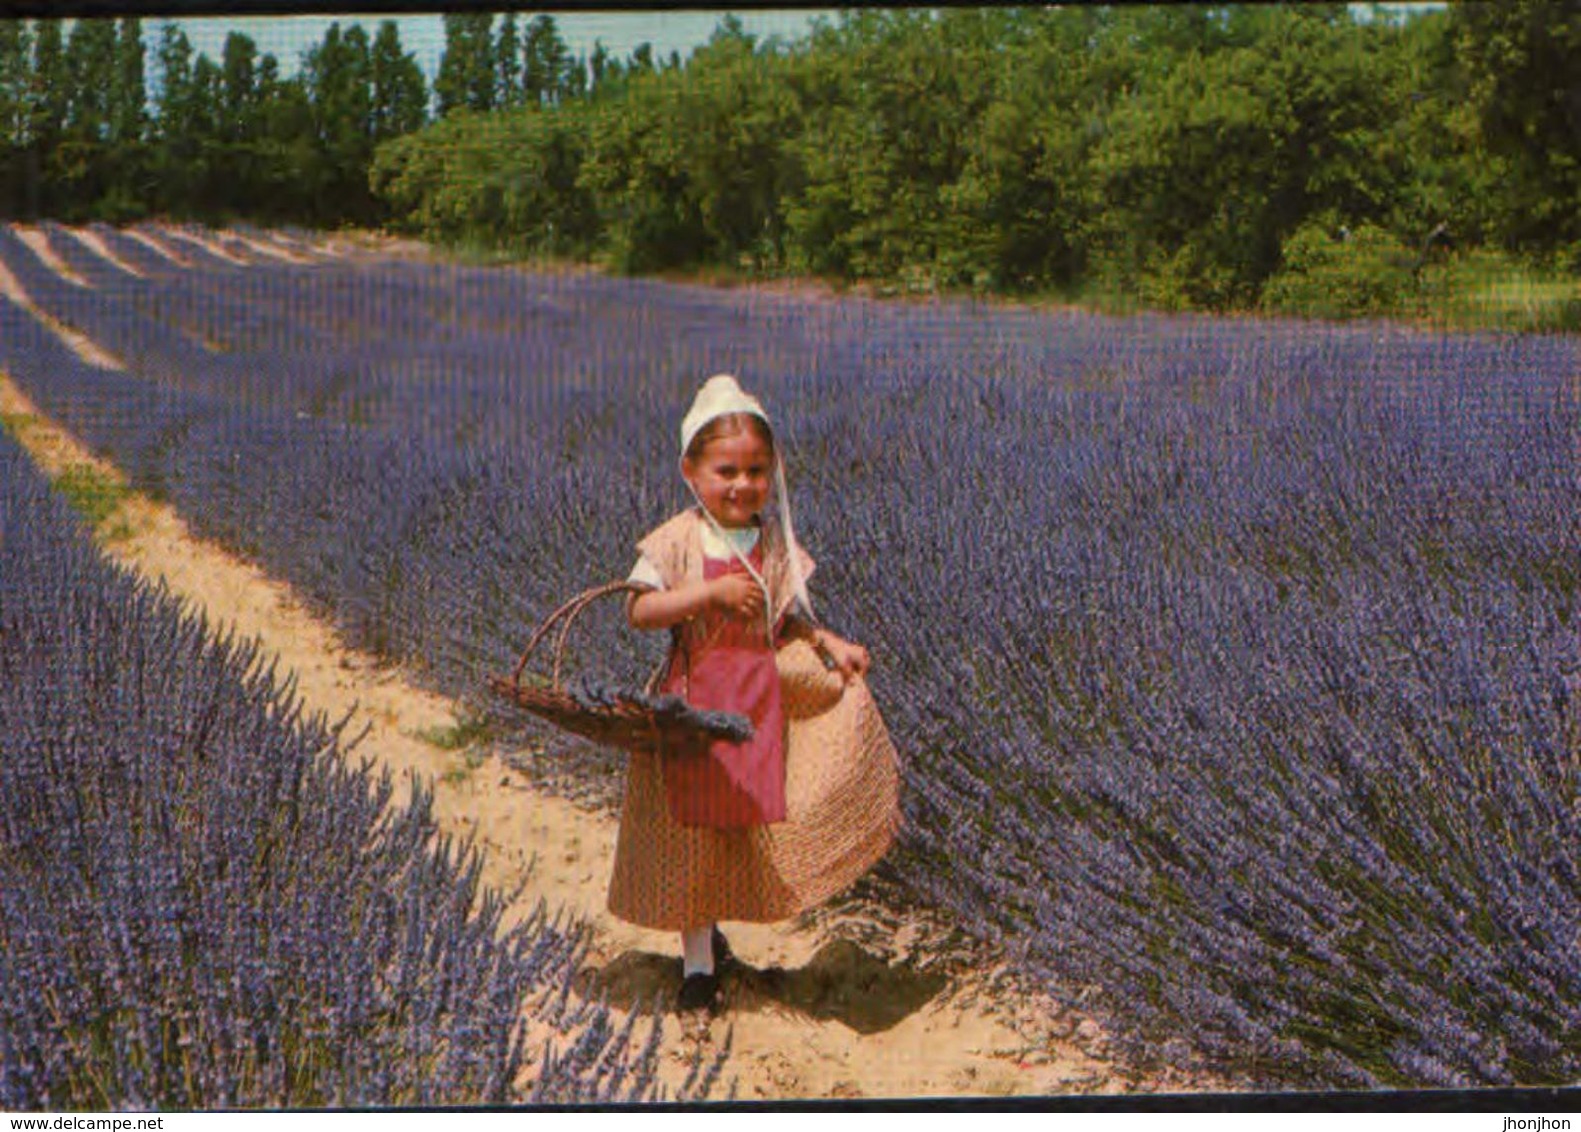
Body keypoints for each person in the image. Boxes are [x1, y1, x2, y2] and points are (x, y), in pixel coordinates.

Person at [609, 373, 902, 1016]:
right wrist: (708, 595)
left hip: (755, 710)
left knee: (735, 835)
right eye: (726, 471)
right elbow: (641, 610)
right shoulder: (677, 539)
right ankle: (696, 969)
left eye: (755, 471)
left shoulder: (770, 542)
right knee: (690, 835)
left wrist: (831, 643)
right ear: (691, 471)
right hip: (692, 712)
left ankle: (715, 938)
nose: (741, 485)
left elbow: (785, 619)